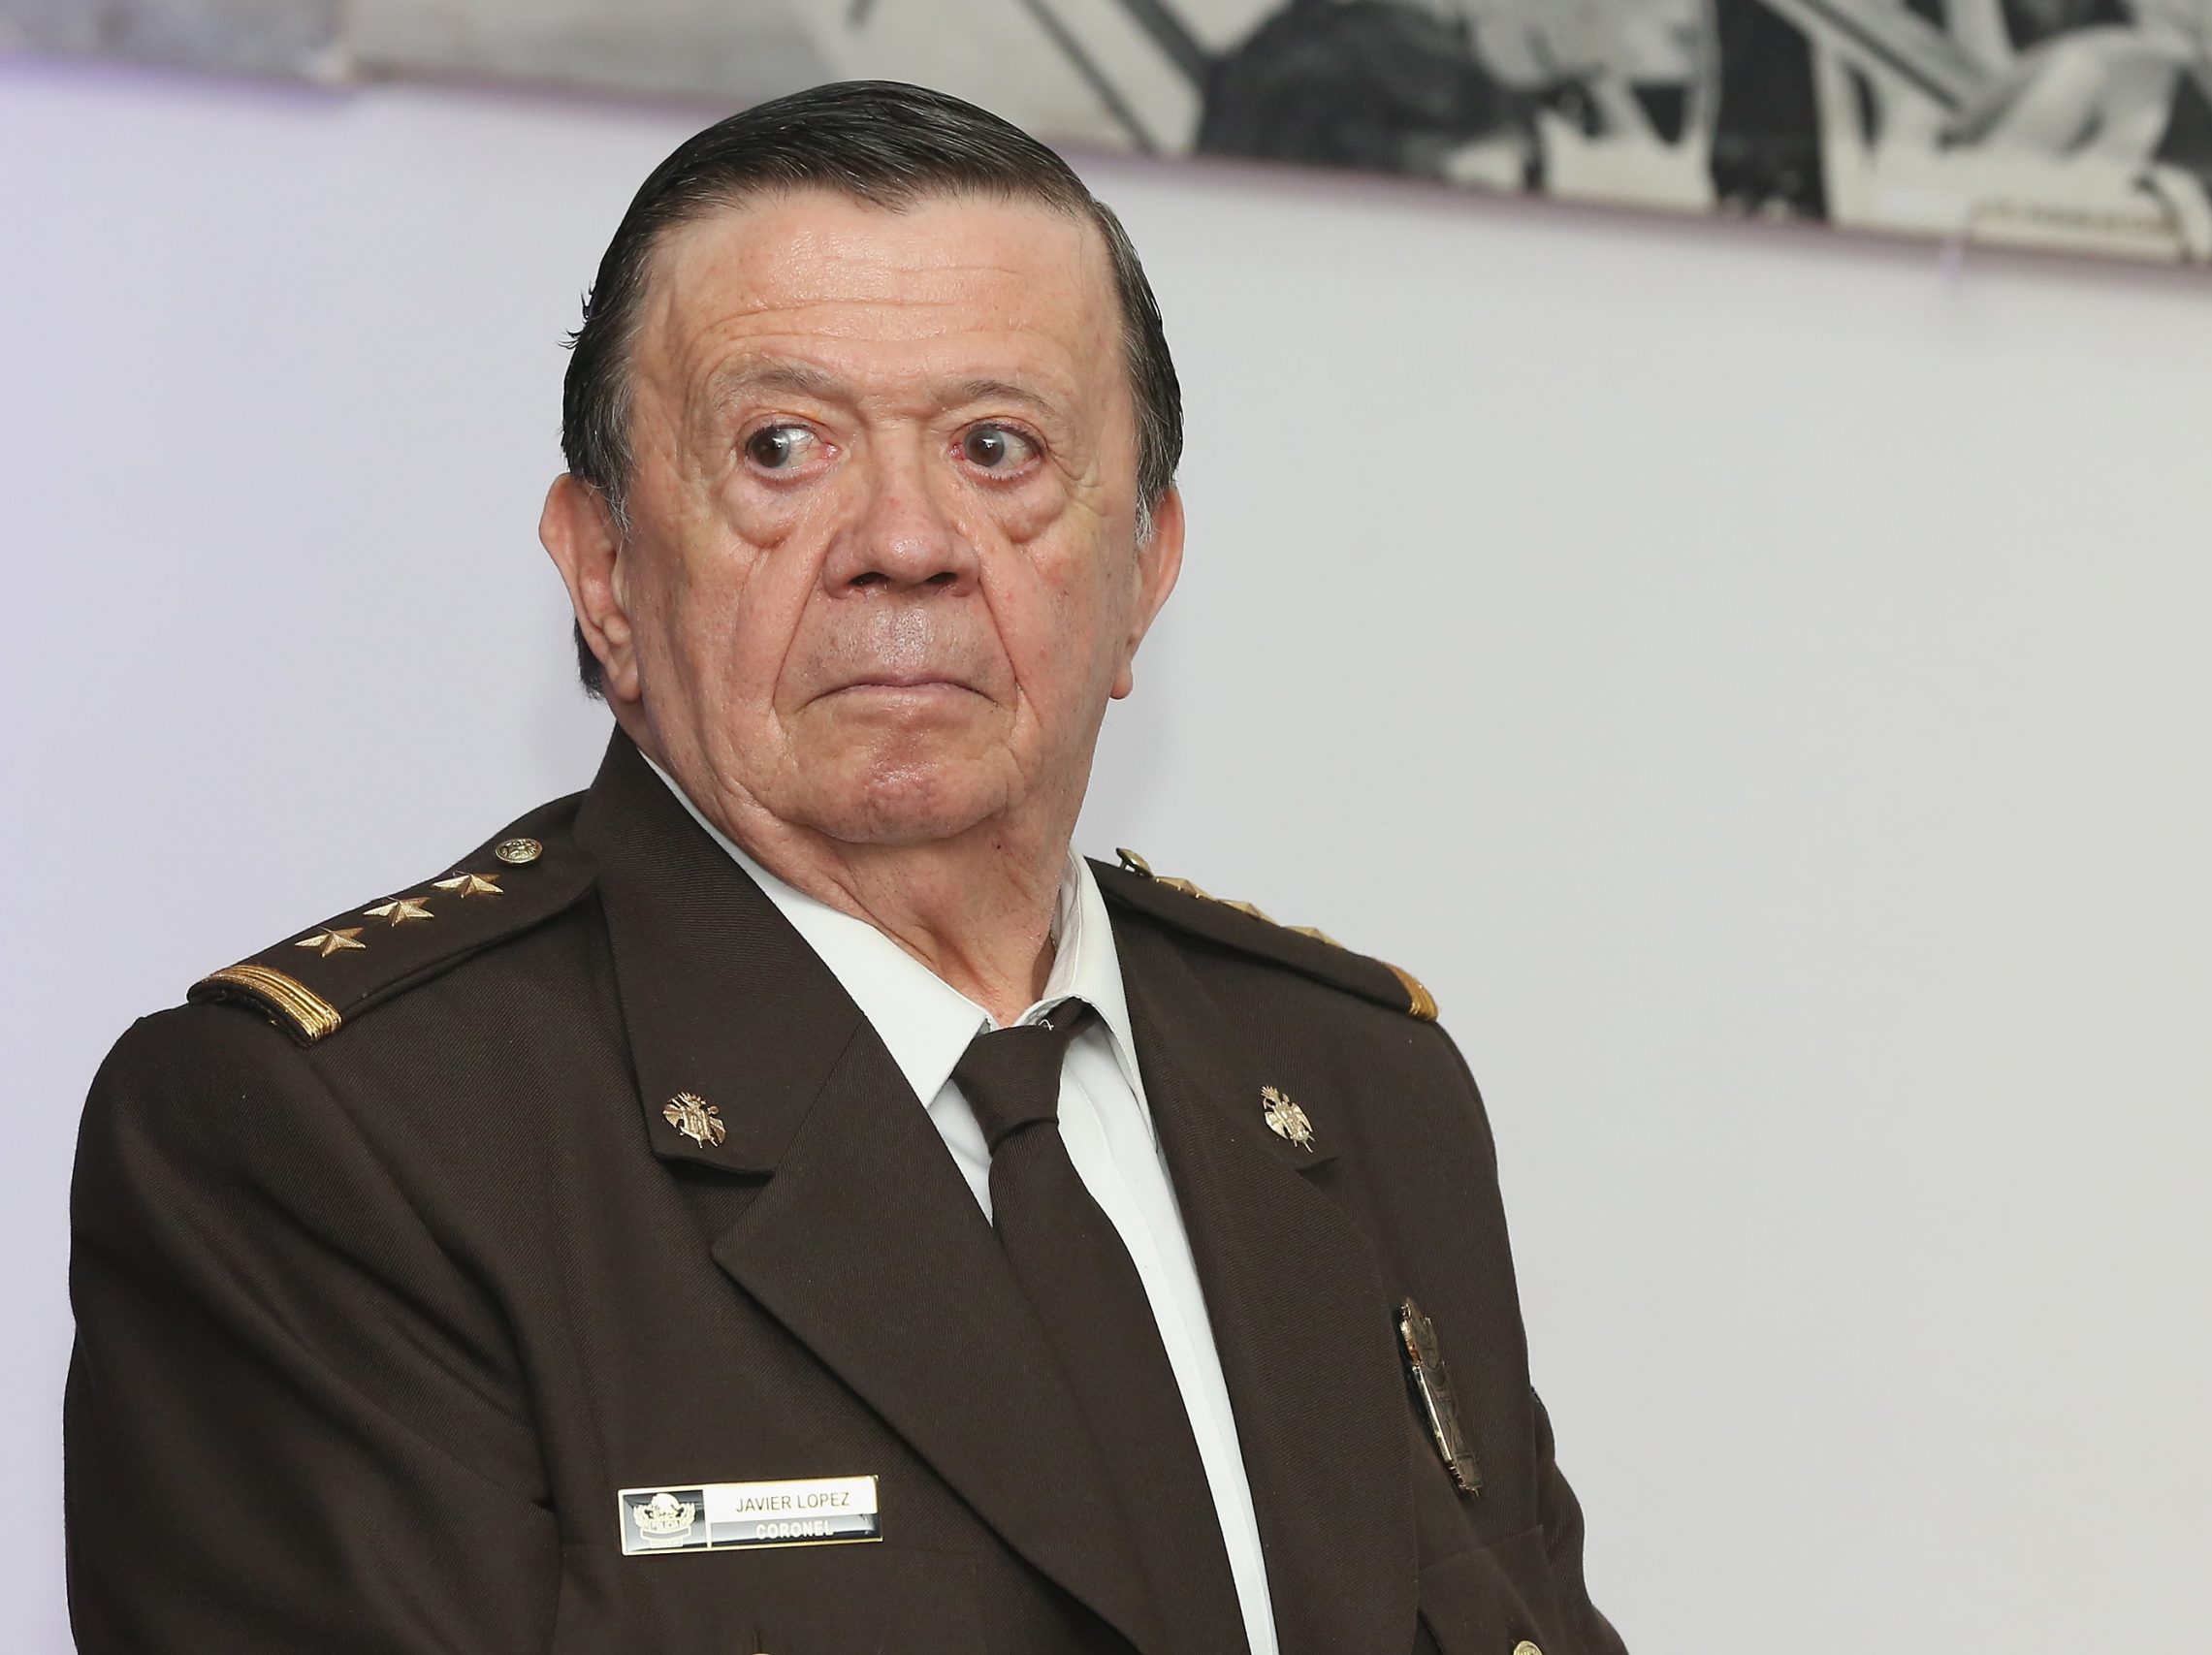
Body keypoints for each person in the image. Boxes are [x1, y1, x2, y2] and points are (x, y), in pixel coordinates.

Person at [65, 80, 1622, 1655]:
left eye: (998, 448)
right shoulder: (339, 1143)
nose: (906, 541)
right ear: (603, 570)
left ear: (1144, 568)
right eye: (783, 448)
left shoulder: (1360, 1093)